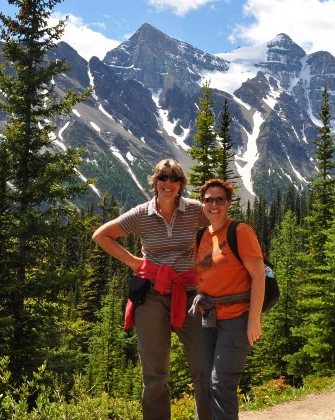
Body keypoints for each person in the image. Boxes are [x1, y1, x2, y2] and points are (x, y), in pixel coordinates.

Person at [92, 159, 211, 420]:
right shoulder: (141, 214)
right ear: (155, 182)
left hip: (190, 294)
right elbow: (101, 235)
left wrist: (211, 263)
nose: (168, 183)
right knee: (154, 373)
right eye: (163, 178)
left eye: (174, 179)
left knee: (204, 367)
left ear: (181, 185)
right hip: (152, 294)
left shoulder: (194, 210)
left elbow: (222, 224)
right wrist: (134, 262)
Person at [190, 178, 265, 420]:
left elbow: (259, 276)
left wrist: (254, 320)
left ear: (228, 203)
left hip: (236, 319)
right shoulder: (202, 235)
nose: (214, 205)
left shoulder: (240, 232)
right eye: (208, 200)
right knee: (209, 384)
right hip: (208, 320)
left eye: (219, 199)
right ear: (203, 203)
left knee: (222, 384)